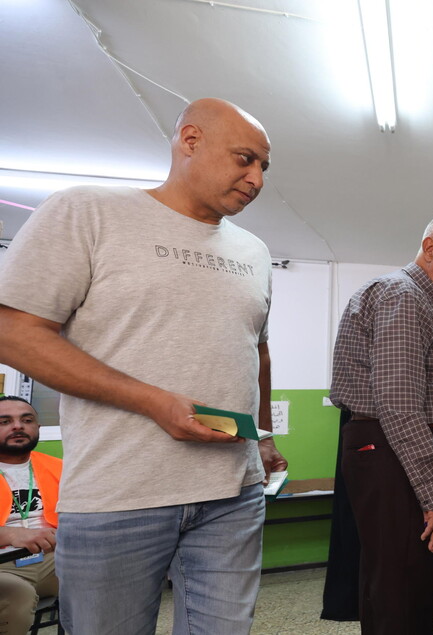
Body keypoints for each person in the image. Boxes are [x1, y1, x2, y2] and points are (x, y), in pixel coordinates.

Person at [0, 98, 286, 634]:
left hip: (233, 495)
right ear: (191, 140)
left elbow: (257, 350)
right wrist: (153, 401)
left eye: (264, 167)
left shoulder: (254, 252)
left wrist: (264, 436)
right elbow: (13, 332)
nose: (257, 179)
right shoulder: (87, 212)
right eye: (245, 158)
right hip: (119, 496)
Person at [330, 213, 433, 634]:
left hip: (391, 450)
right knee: (402, 578)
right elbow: (398, 403)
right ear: (429, 247)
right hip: (391, 451)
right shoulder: (405, 295)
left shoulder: (412, 298)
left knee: (400, 577)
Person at [0, 397, 61, 635]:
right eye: (5, 421)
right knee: (16, 593)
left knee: (109, 571)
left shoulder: (61, 468)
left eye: (27, 420)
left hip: (54, 559)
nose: (18, 426)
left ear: (38, 429)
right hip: (4, 566)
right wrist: (9, 533)